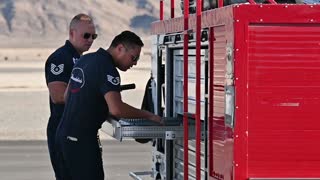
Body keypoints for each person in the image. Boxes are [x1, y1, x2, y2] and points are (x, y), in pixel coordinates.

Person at [55, 30, 162, 180]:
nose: (135, 63)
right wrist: (149, 115)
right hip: (81, 141)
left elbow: (68, 96)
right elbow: (117, 109)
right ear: (120, 48)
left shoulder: (85, 59)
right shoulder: (107, 68)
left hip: (62, 137)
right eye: (134, 57)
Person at [44, 13, 97, 180]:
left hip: (79, 131)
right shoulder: (60, 58)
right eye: (86, 35)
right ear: (72, 33)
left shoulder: (81, 60)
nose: (90, 40)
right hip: (63, 131)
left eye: (93, 36)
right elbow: (58, 96)